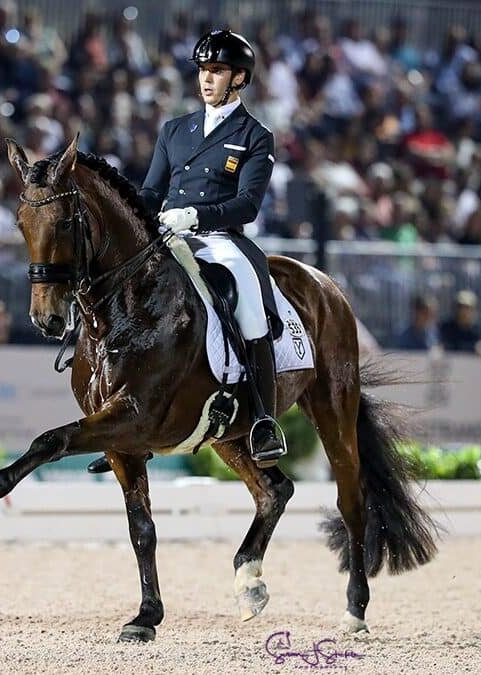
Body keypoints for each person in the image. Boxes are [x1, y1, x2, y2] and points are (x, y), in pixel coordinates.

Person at [93, 30, 283, 472]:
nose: (206, 79)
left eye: (216, 71)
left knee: (248, 301)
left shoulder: (255, 135)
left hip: (219, 239)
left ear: (239, 78)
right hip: (166, 235)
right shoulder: (175, 130)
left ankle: (263, 418)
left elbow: (248, 205)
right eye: (202, 70)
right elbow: (151, 192)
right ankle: (121, 422)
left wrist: (196, 215)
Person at [439, 289, 481, 354]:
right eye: (460, 306)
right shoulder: (446, 328)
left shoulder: (480, 330)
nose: (463, 311)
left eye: (467, 307)